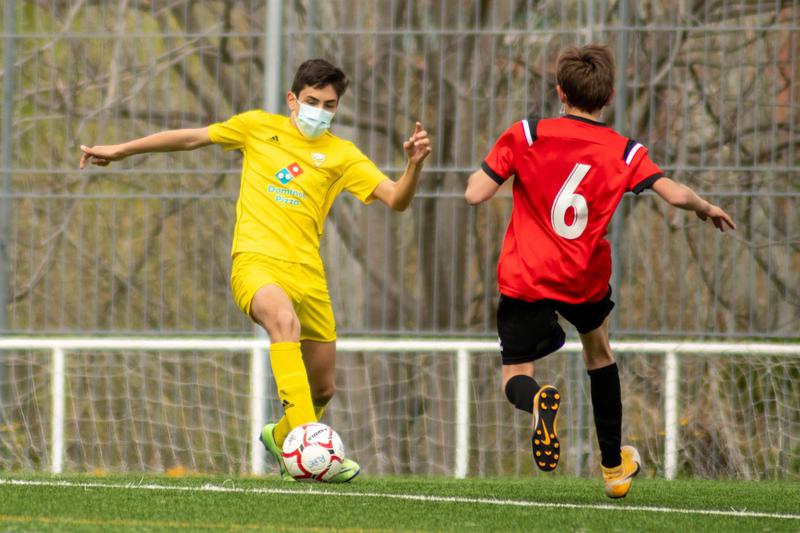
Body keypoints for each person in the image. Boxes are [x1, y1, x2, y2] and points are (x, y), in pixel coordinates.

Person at [80, 58, 432, 482]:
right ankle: (309, 447)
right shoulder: (257, 127)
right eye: (312, 101)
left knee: (323, 388)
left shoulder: (342, 155)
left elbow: (396, 199)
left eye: (329, 105)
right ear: (292, 100)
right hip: (255, 262)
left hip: (308, 275)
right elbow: (192, 137)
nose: (319, 111)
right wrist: (121, 150)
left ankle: (281, 436)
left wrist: (413, 166)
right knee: (283, 322)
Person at [464, 44, 734, 498]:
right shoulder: (624, 151)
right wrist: (704, 206)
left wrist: (489, 174)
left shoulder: (527, 134)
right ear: (609, 96)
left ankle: (537, 401)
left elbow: (476, 194)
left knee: (515, 372)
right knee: (599, 355)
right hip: (582, 277)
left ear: (559, 91)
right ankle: (612, 468)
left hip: (528, 275)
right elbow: (673, 194)